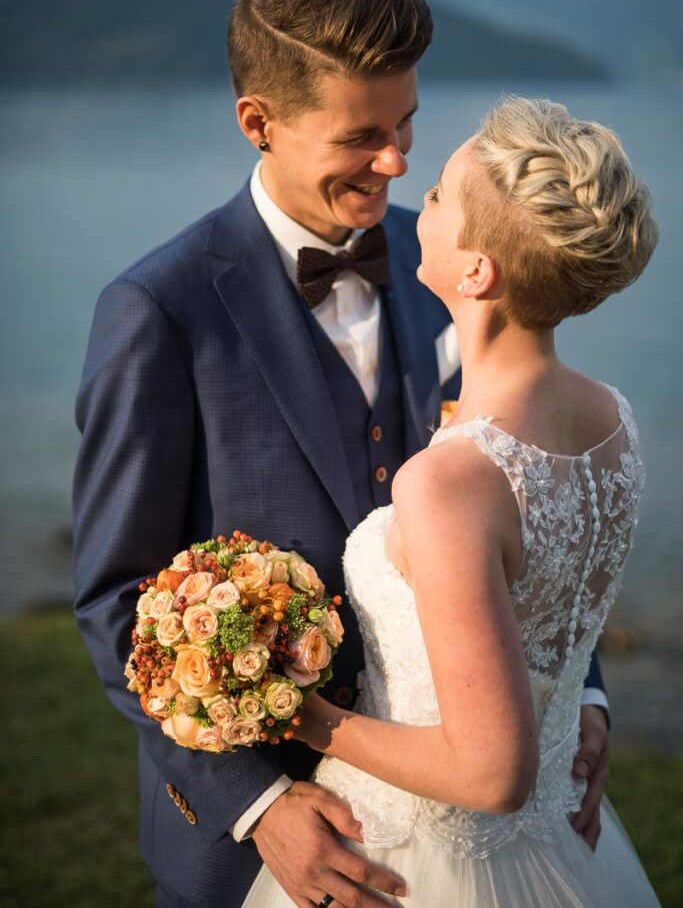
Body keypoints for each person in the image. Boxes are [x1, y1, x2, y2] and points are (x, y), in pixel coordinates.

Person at [72, 0, 610, 908]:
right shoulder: (160, 311)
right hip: (265, 847)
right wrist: (257, 801)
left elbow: (523, 487)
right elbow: (120, 600)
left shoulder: (447, 256)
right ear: (258, 122)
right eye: (363, 136)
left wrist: (580, 694)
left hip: (472, 821)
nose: (398, 161)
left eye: (406, 125)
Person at [243, 95, 661, 908]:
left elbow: (490, 774)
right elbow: (550, 620)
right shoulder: (613, 419)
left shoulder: (447, 482)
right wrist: (584, 703)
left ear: (477, 271)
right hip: (560, 841)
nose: (411, 197)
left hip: (423, 865)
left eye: (435, 193)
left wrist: (305, 718)